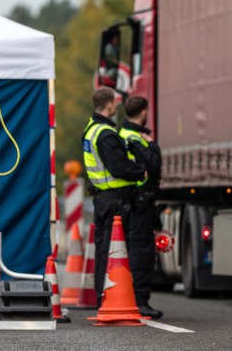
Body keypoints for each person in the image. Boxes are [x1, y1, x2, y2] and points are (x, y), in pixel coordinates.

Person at [82, 87, 146, 310]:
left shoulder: (91, 130)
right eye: (115, 103)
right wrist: (140, 172)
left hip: (103, 198)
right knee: (115, 251)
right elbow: (118, 166)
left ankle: (104, 296)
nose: (116, 106)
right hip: (115, 200)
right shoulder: (105, 133)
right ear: (109, 104)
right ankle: (111, 298)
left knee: (104, 251)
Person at [119, 96, 163, 319]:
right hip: (140, 201)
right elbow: (153, 167)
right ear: (143, 112)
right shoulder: (135, 137)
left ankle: (134, 297)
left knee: (136, 251)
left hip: (134, 200)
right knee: (141, 252)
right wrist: (153, 145)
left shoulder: (125, 134)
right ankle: (140, 300)